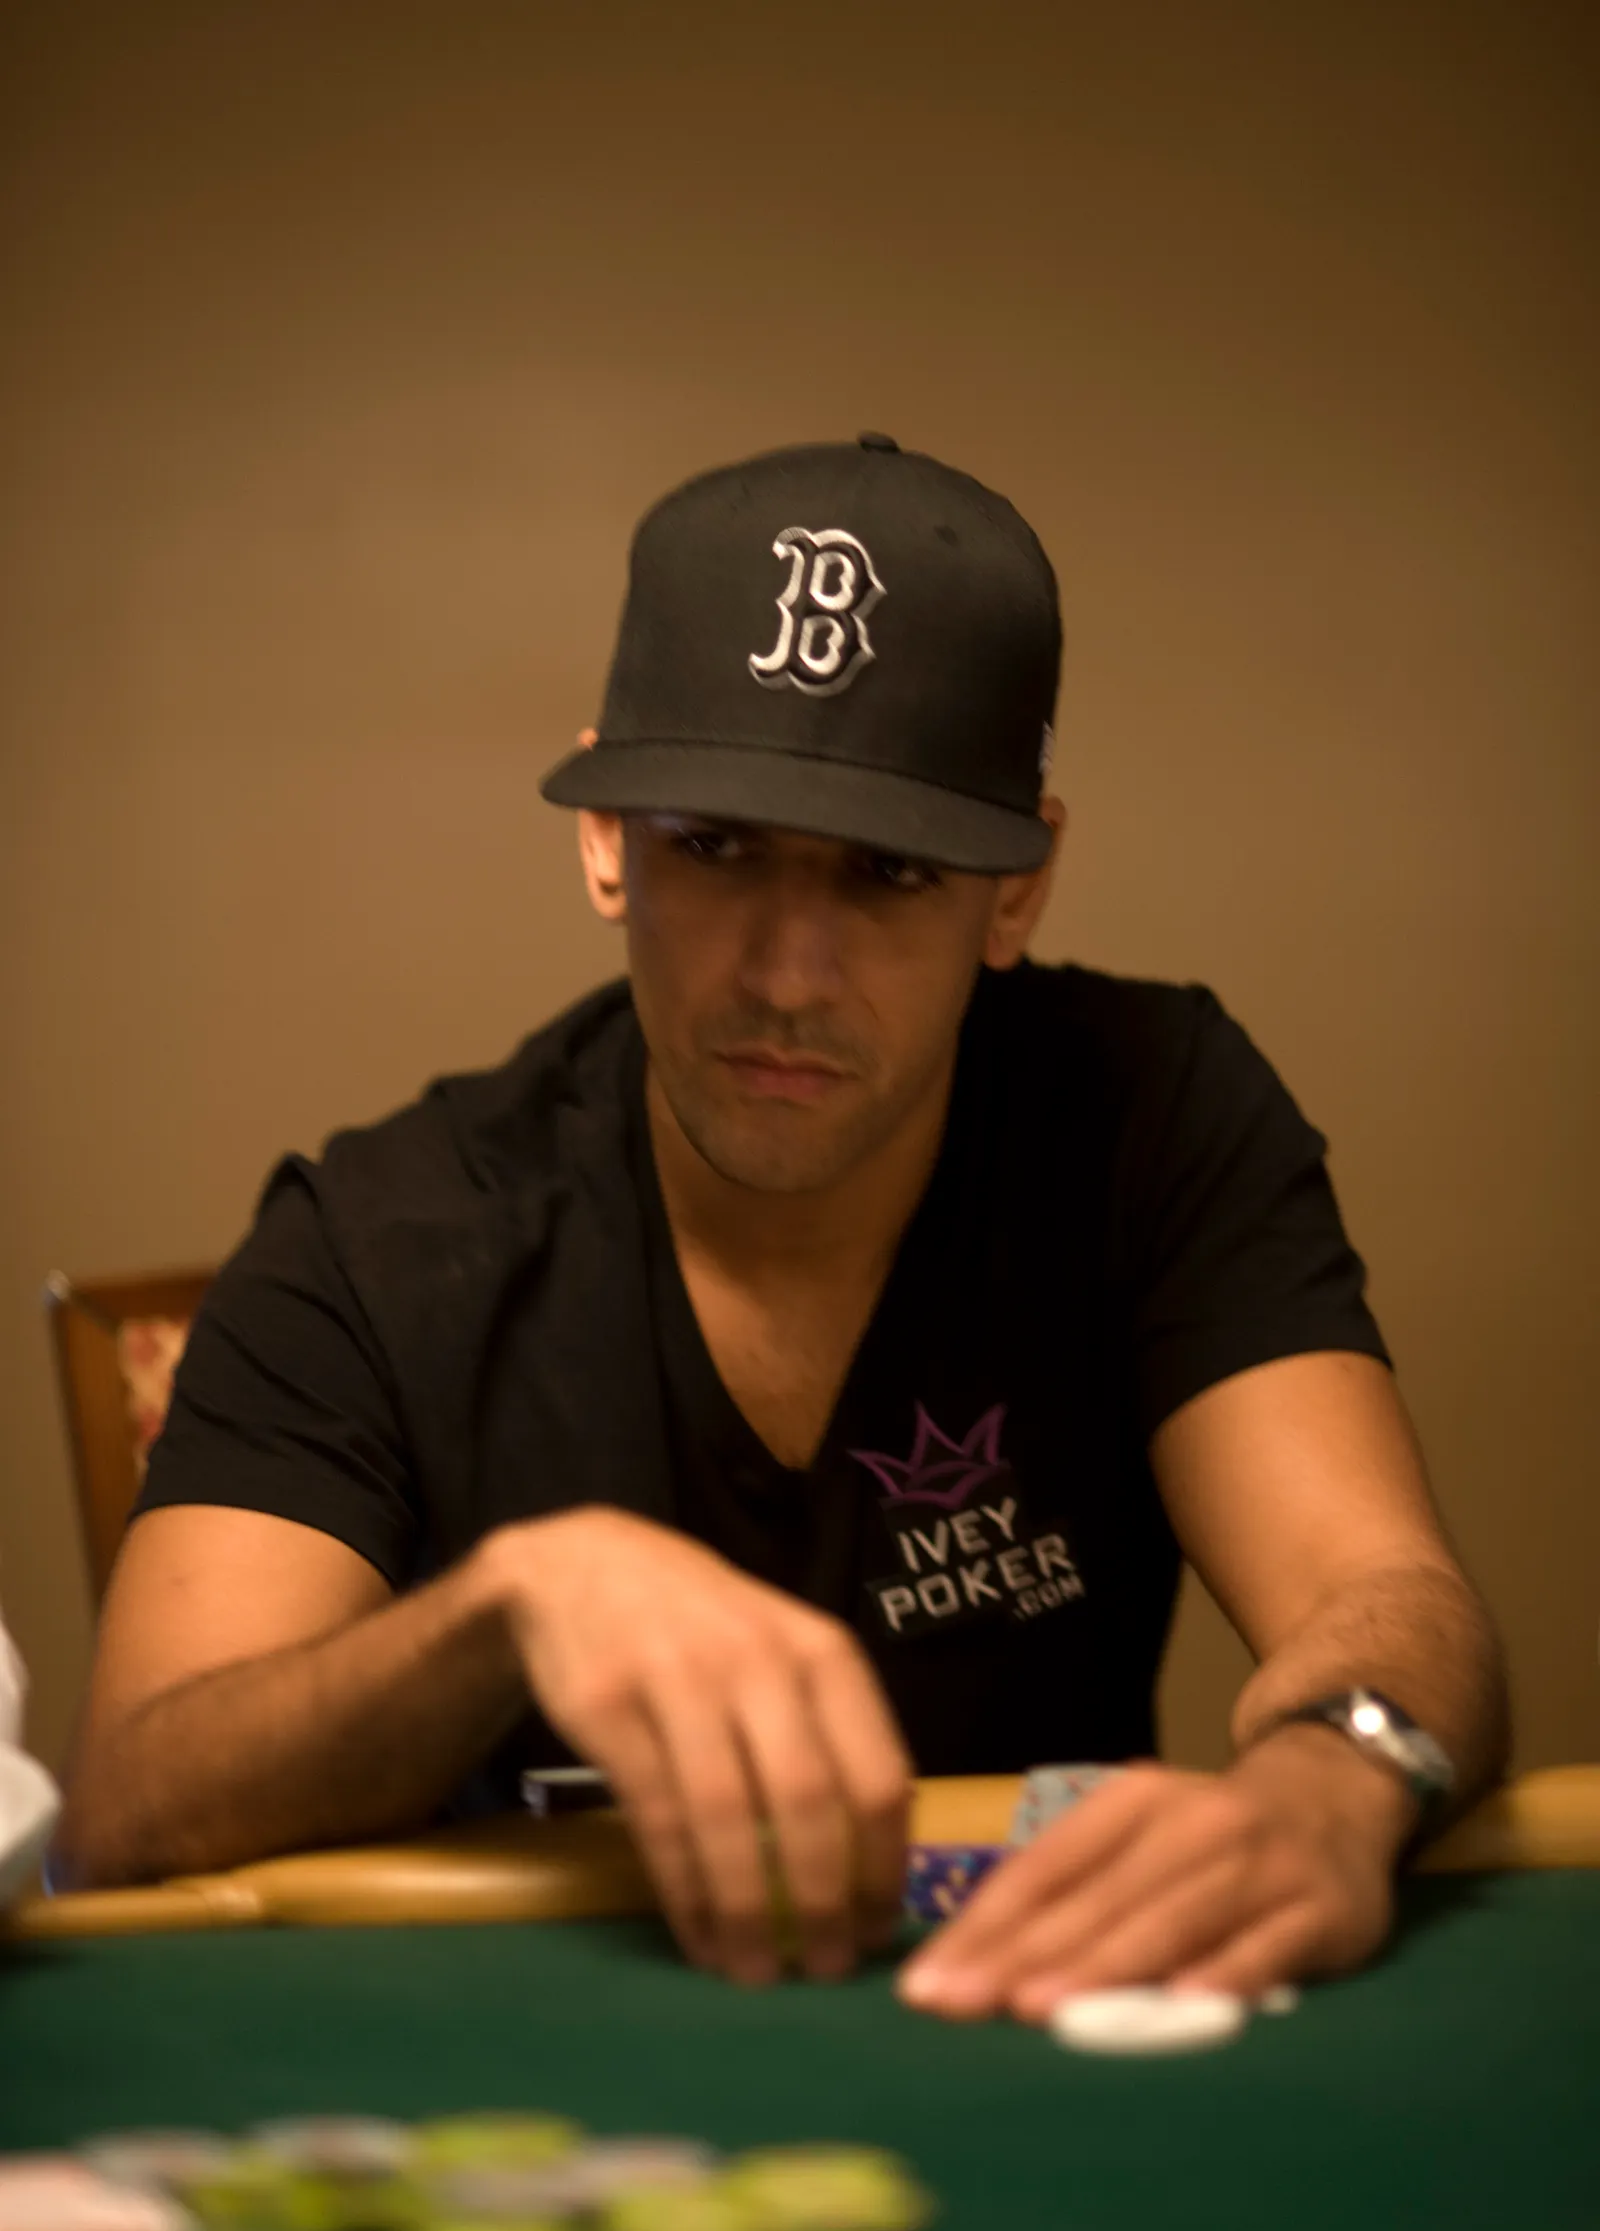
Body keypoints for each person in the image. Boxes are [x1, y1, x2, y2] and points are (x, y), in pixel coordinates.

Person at [56, 435, 1508, 2022]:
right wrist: (503, 1612)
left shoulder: (1154, 1115)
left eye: (890, 872)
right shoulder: (380, 1237)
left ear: (1016, 890)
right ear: (607, 839)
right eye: (716, 845)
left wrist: (1339, 1776)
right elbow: (129, 1800)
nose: (789, 976)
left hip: (1042, 2024)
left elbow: (1385, 1592)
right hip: (540, 2054)